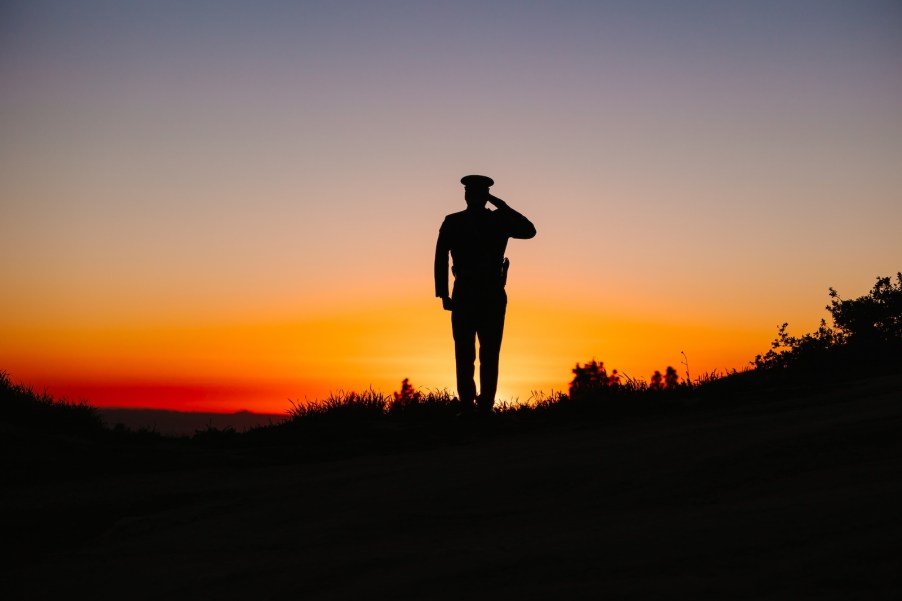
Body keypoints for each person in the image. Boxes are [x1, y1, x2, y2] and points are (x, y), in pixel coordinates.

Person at [434, 175, 537, 415]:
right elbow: (440, 258)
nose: (472, 196)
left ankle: (482, 406)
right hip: (473, 292)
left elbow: (529, 231)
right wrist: (443, 294)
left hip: (483, 292)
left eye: (475, 192)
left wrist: (501, 206)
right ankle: (472, 405)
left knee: (482, 351)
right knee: (469, 351)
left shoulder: (496, 220)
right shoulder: (459, 221)